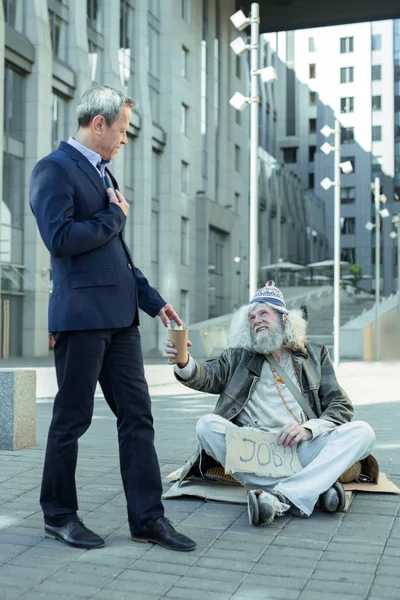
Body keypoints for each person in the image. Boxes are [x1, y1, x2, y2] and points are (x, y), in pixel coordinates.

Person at [29, 84, 195, 552]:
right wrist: (112, 218)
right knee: (72, 420)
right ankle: (59, 516)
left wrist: (154, 300)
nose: (124, 139)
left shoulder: (105, 177)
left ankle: (148, 519)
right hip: (81, 320)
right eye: (121, 130)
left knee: (138, 418)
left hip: (122, 322)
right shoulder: (53, 169)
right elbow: (60, 238)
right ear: (97, 124)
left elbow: (115, 257)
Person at [164, 281, 376, 526]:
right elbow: (206, 376)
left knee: (364, 432)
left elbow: (340, 404)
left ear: (284, 319)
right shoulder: (238, 356)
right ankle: (313, 490)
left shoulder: (315, 355)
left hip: (302, 448)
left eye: (264, 313)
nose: (256, 320)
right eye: (251, 317)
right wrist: (183, 362)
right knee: (205, 426)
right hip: (255, 450)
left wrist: (309, 430)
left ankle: (279, 496)